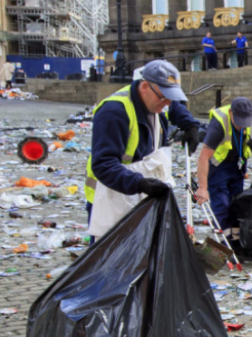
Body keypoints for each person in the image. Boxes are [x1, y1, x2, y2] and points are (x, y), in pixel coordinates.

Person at [84, 60, 201, 232]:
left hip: (139, 191)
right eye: (164, 97)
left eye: (171, 97)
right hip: (109, 196)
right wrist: (140, 184)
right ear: (145, 86)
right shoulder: (114, 113)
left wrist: (191, 125)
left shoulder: (158, 101)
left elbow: (174, 107)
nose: (167, 103)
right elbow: (103, 164)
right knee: (111, 254)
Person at [193, 97, 252, 244]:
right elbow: (203, 157)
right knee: (222, 205)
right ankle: (227, 243)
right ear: (231, 113)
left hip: (237, 165)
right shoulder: (218, 125)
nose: (241, 126)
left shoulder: (248, 117)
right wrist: (202, 187)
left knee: (236, 203)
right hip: (218, 167)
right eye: (239, 123)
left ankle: (236, 239)